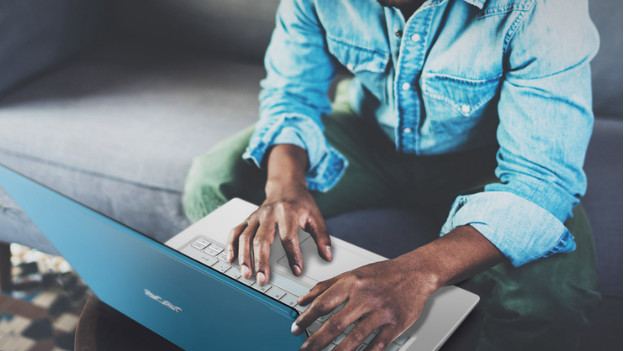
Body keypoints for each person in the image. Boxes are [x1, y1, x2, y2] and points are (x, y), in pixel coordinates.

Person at [182, 0, 602, 350]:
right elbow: (290, 94)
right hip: (367, 133)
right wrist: (285, 187)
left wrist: (418, 272)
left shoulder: (541, 9)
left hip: (492, 162)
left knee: (553, 298)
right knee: (220, 180)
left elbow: (543, 179)